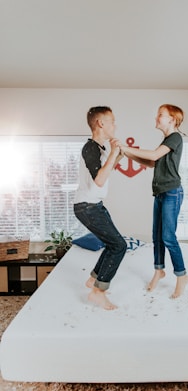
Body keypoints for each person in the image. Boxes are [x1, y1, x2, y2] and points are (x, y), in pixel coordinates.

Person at [121, 104, 188, 298]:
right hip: (160, 193)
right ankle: (159, 270)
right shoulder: (166, 141)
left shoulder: (175, 137)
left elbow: (153, 155)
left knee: (168, 236)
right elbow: (151, 162)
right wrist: (128, 153)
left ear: (172, 119)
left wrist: (126, 147)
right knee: (156, 235)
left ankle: (182, 275)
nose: (156, 118)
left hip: (172, 192)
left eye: (160, 115)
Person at [74, 106, 127, 310]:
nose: (115, 125)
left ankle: (93, 280)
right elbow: (99, 180)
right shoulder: (90, 148)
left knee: (113, 244)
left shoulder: (101, 149)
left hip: (95, 205)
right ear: (101, 123)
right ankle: (97, 292)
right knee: (119, 246)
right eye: (112, 121)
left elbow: (107, 169)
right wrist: (114, 152)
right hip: (87, 206)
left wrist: (117, 154)